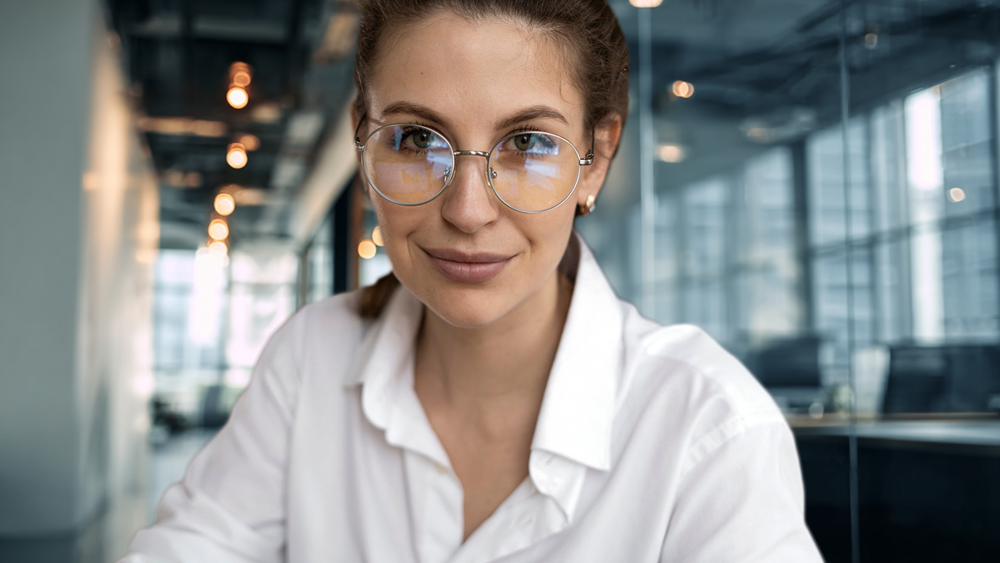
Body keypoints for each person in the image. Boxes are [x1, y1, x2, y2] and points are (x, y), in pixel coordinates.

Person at [122, 1, 824, 561]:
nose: (466, 210)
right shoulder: (312, 357)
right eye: (416, 140)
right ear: (364, 141)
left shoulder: (707, 427)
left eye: (528, 145)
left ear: (595, 162)